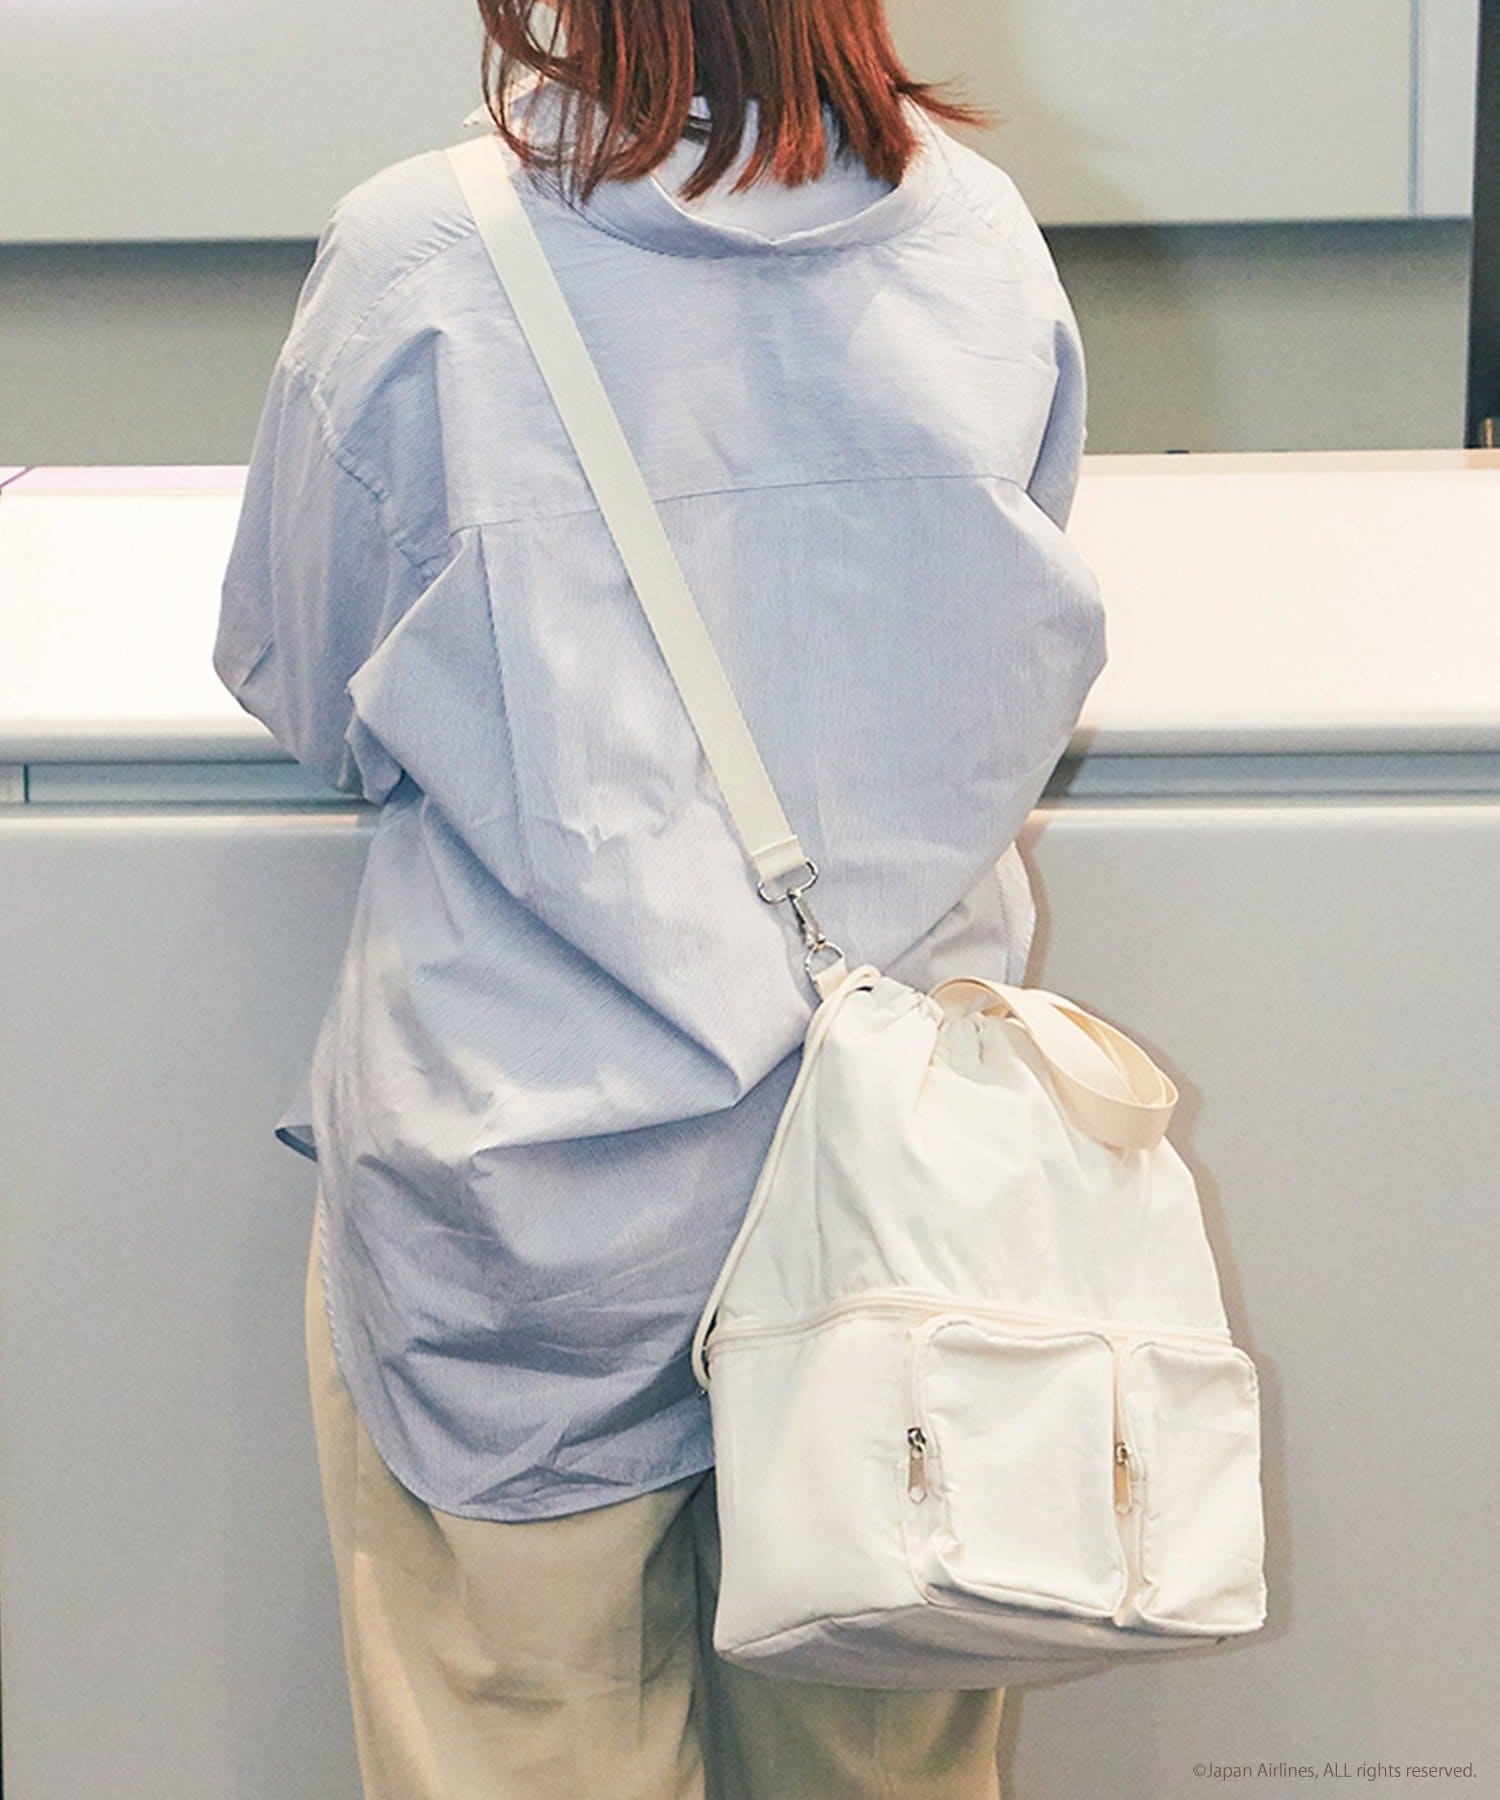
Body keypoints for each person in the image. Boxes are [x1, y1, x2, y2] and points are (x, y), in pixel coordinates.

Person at [214, 0, 1106, 1792]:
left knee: (519, 1746)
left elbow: (306, 683)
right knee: (885, 1773)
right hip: (899, 1205)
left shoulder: (420, 257)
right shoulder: (979, 237)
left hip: (523, 1202)